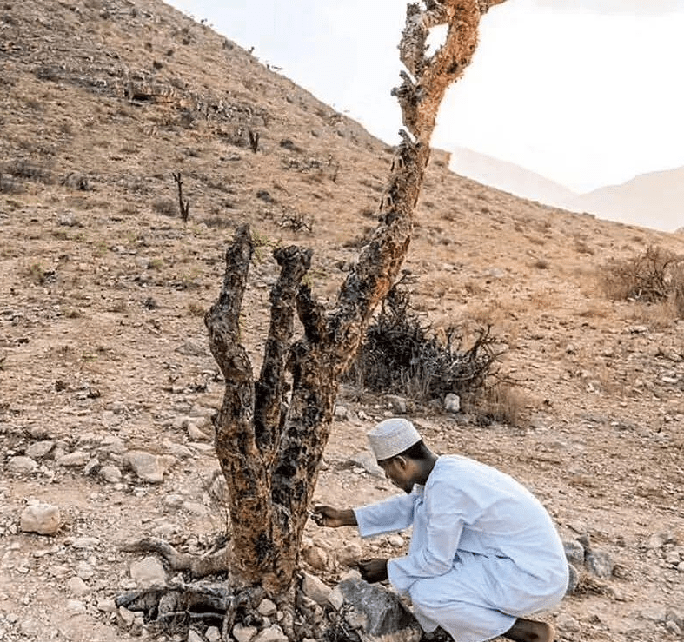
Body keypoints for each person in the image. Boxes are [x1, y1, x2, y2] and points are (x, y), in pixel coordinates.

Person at [314, 418, 568, 642]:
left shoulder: (447, 488)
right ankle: (447, 628)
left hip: (532, 576)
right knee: (423, 567)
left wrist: (389, 568)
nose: (388, 477)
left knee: (428, 593)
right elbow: (412, 505)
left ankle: (529, 633)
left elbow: (437, 561)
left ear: (401, 462)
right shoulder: (444, 471)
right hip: (515, 562)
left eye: (386, 469)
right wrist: (344, 517)